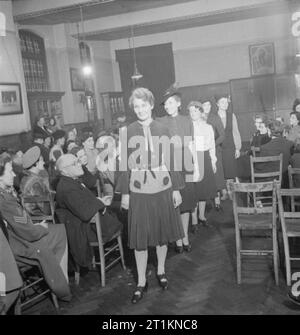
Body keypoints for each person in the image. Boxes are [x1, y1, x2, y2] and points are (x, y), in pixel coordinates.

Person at [116, 87, 184, 304]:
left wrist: (176, 189)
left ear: (152, 105)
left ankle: (161, 270)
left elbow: (173, 160)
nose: (140, 110)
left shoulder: (163, 128)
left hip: (163, 188)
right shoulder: (127, 131)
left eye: (143, 105)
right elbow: (123, 164)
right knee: (141, 238)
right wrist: (125, 194)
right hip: (139, 192)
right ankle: (141, 281)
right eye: (136, 106)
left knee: (162, 233)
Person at [0, 153, 70, 301]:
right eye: (9, 171)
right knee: (59, 231)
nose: (13, 174)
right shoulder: (4, 200)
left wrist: (31, 224)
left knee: (58, 231)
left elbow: (19, 220)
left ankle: (59, 279)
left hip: (15, 237)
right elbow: (28, 231)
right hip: (18, 245)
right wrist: (41, 228)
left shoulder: (5, 195)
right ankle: (61, 287)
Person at [55, 154, 122, 272]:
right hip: (87, 231)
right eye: (74, 163)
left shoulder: (71, 181)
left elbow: (88, 190)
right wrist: (101, 203)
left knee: (117, 208)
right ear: (64, 171)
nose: (79, 164)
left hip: (89, 224)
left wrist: (99, 201)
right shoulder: (67, 188)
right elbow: (85, 213)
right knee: (123, 216)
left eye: (78, 161)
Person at [158, 83, 197, 251]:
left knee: (187, 203)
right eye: (165, 104)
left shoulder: (187, 120)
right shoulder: (160, 122)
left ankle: (185, 236)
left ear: (179, 104)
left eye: (171, 103)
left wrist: (196, 167)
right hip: (169, 164)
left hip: (186, 163)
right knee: (174, 202)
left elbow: (191, 144)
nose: (167, 106)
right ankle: (178, 239)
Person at [188, 101, 217, 227]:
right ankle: (194, 219)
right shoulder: (188, 127)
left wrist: (213, 161)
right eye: (190, 111)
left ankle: (201, 216)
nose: (192, 113)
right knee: (194, 189)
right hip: (192, 158)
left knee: (204, 189)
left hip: (205, 157)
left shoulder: (208, 127)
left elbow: (212, 146)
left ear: (200, 111)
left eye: (195, 110)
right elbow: (189, 145)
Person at [202, 98, 225, 210]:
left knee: (216, 177)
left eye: (209, 105)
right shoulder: (197, 118)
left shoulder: (215, 118)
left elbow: (222, 136)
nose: (207, 107)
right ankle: (205, 201)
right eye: (204, 105)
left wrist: (212, 144)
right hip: (202, 152)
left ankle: (217, 201)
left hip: (215, 150)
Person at [216, 94, 242, 197]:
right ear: (217, 104)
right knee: (221, 170)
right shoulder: (214, 117)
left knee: (230, 170)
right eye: (222, 102)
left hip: (230, 146)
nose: (225, 104)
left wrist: (238, 148)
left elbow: (236, 132)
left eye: (226, 102)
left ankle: (231, 192)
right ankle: (224, 192)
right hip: (218, 147)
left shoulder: (232, 115)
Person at [256, 120, 293, 187]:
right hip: (286, 183)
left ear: (269, 132)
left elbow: (260, 167)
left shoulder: (264, 148)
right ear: (283, 131)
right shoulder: (291, 144)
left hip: (270, 184)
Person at [20, 146, 51, 216]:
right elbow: (43, 207)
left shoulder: (25, 177)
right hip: (39, 217)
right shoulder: (36, 183)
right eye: (41, 160)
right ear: (36, 163)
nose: (43, 162)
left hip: (31, 215)